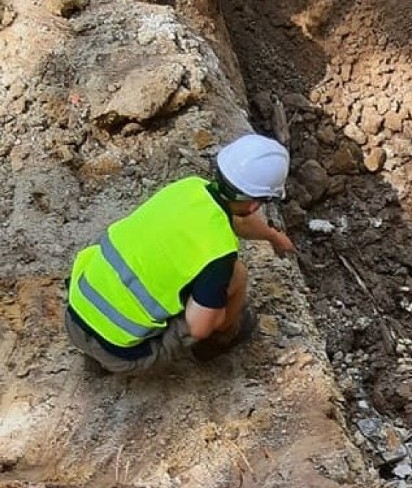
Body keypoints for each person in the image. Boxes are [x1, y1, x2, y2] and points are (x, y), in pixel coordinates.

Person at [65, 135, 296, 374]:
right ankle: (219, 343)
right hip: (120, 354)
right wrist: (220, 314)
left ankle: (103, 346)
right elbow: (199, 328)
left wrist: (273, 236)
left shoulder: (188, 188)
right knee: (236, 276)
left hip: (74, 317)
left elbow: (234, 218)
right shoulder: (219, 250)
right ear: (255, 205)